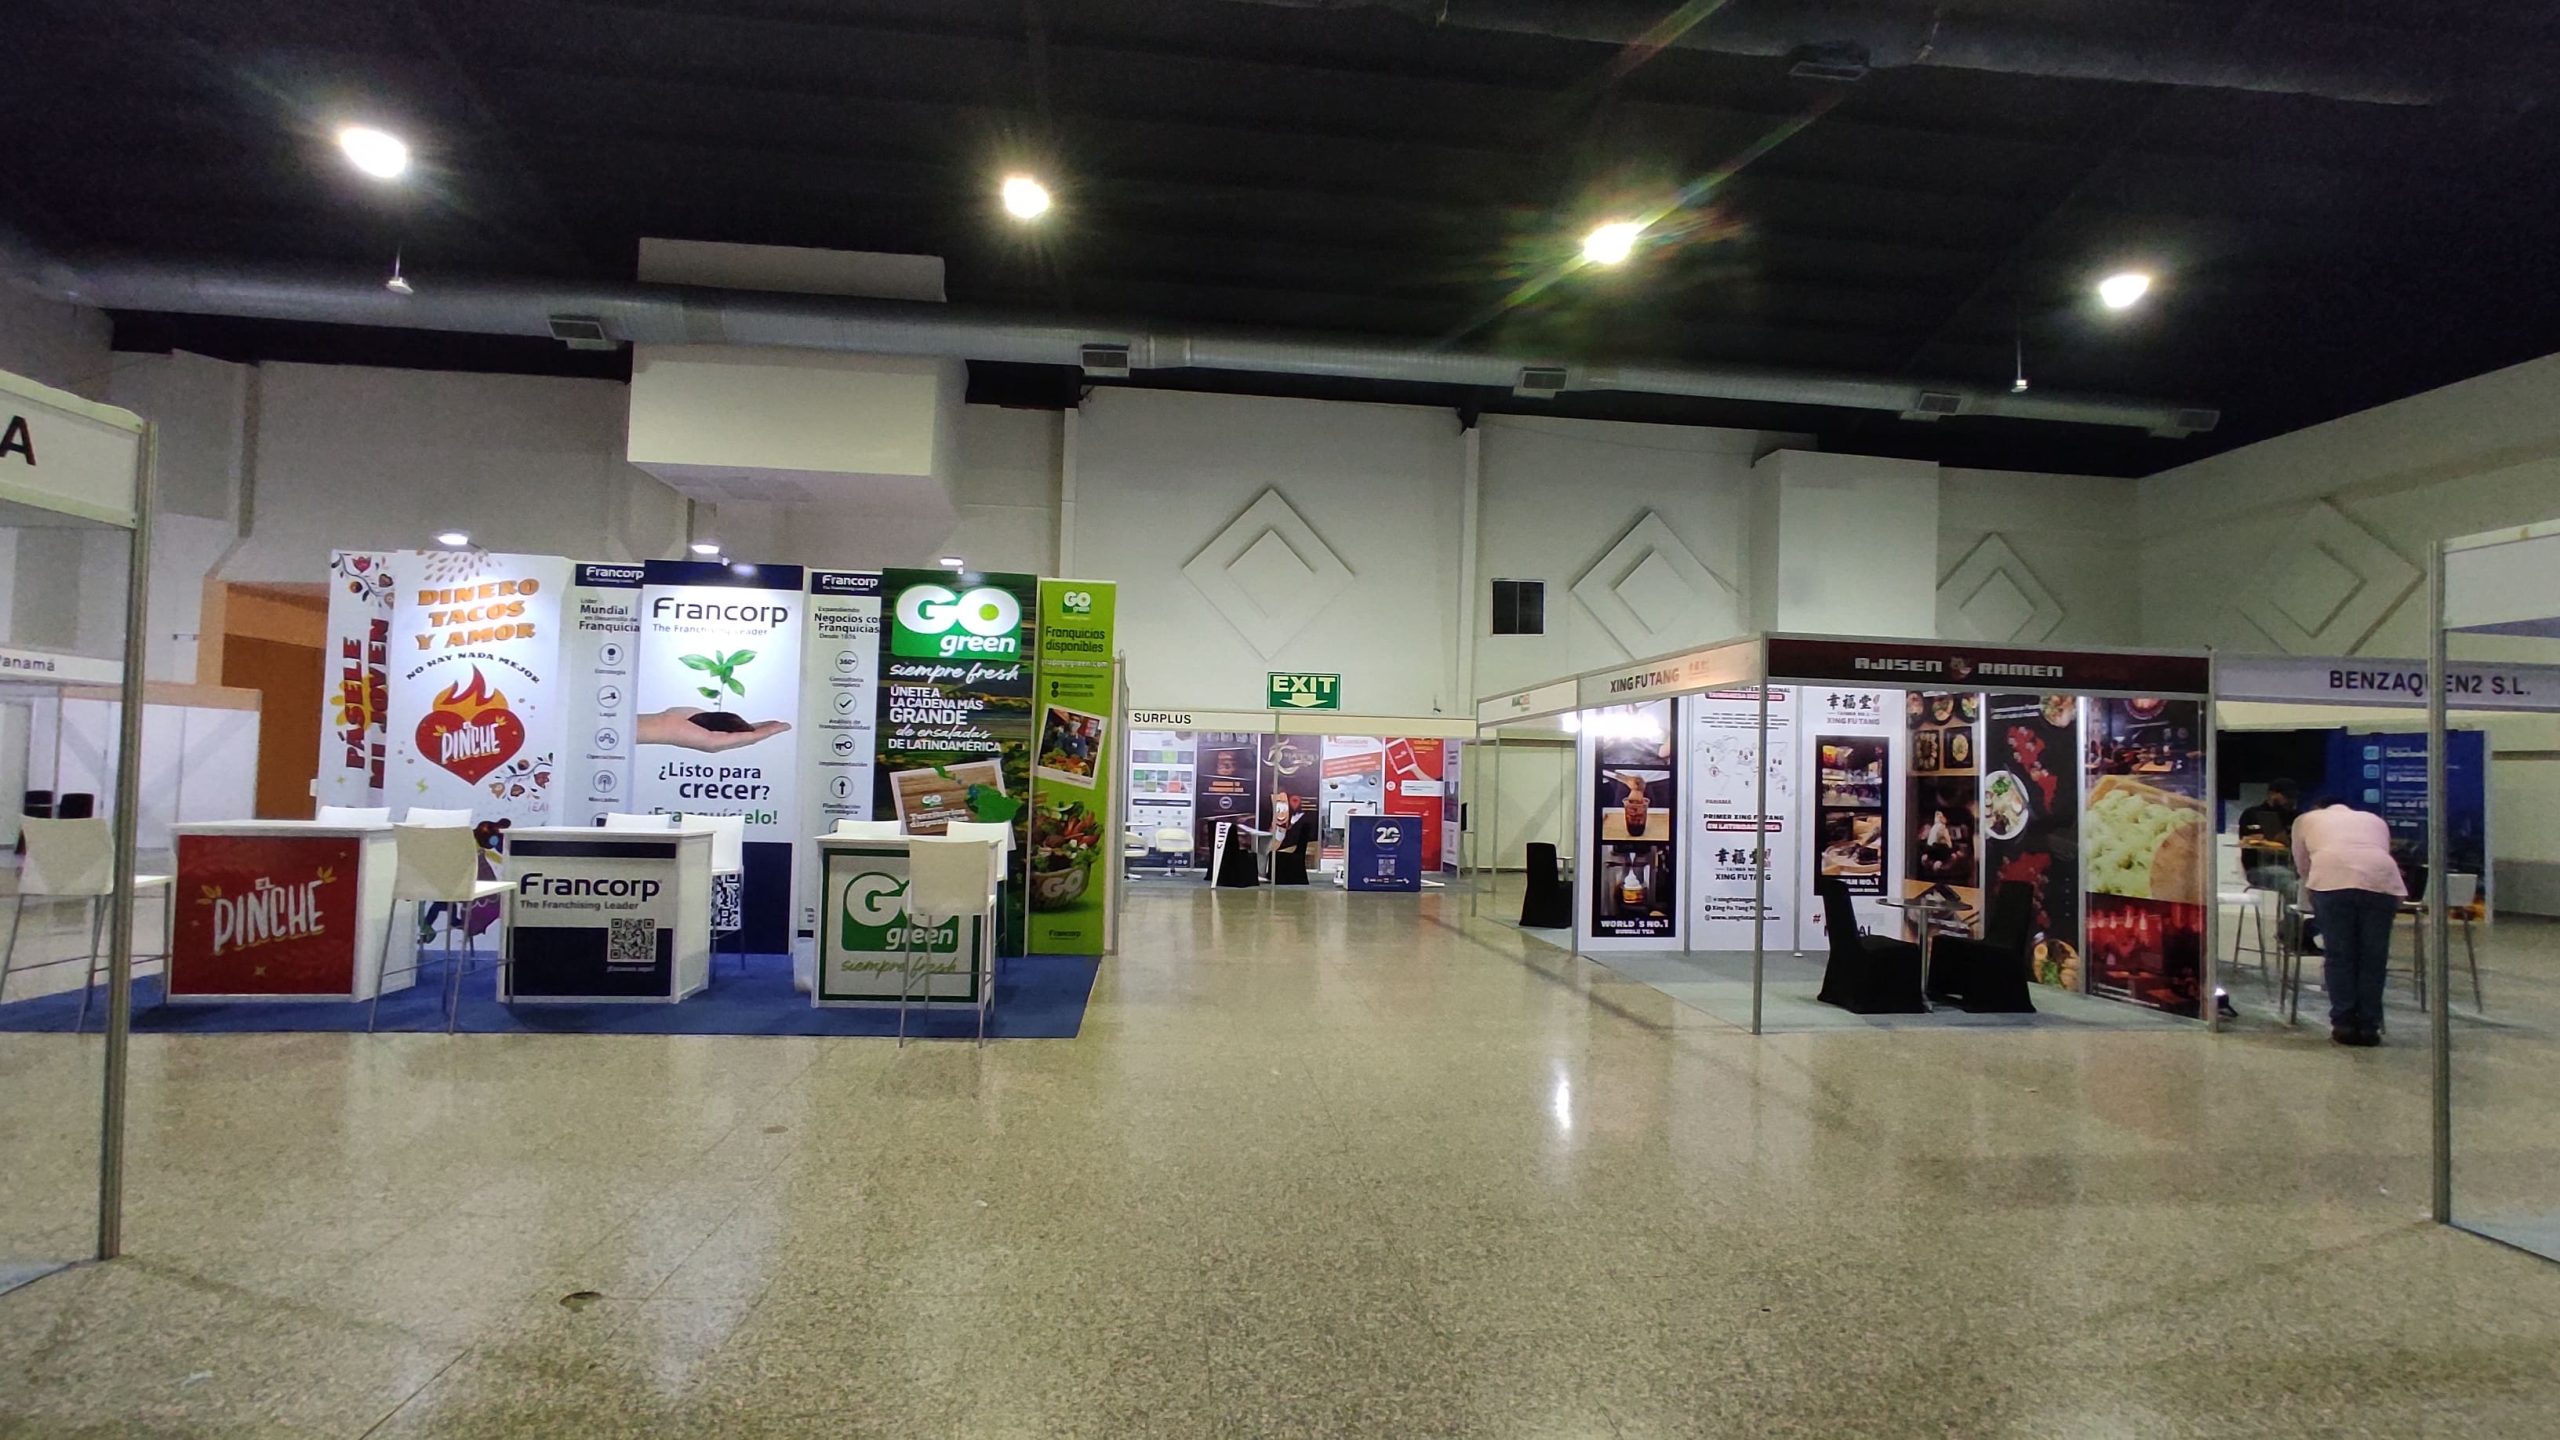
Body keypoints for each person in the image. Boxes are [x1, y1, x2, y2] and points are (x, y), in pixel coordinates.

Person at [2293, 794, 2407, 1047]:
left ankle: (2344, 1024)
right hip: (2382, 883)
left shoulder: (2306, 819)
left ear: (2318, 808)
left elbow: (2302, 864)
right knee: (2373, 958)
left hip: (2331, 882)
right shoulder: (2373, 819)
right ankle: (2369, 1026)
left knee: (2339, 955)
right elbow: (2381, 852)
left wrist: (2311, 888)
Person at [2238, 778, 2312, 949]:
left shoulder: (2297, 817)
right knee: (2292, 885)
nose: (2290, 801)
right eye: (2286, 796)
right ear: (2272, 794)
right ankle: (2292, 937)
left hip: (2293, 867)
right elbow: (2251, 840)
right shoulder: (2252, 814)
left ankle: (2298, 931)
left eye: (2293, 797)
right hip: (2259, 868)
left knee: (2321, 887)